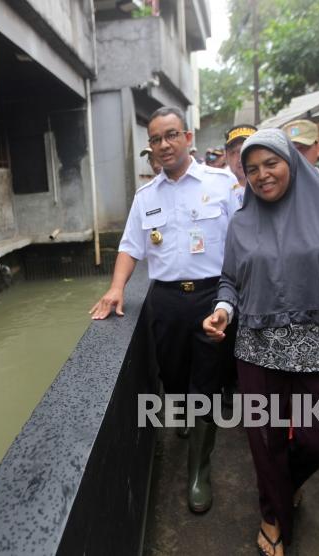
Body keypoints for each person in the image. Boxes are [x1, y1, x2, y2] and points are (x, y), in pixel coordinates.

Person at [203, 129, 319, 556]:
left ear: (293, 163)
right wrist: (223, 310)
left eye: (271, 164)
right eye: (251, 169)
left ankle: (284, 485)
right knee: (265, 440)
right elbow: (230, 279)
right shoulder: (241, 222)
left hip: (318, 351)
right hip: (255, 351)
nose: (262, 176)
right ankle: (273, 515)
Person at [90, 106, 237, 513]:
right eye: (156, 139)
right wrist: (116, 288)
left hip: (211, 297)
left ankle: (198, 473)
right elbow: (130, 247)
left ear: (188, 137)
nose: (164, 145)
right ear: (150, 148)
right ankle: (184, 415)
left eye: (171, 135)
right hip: (166, 300)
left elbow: (245, 241)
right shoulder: (146, 196)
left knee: (206, 383)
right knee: (172, 375)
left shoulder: (222, 184)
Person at [225, 124, 258, 209]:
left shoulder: (273, 188)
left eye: (248, 150)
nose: (241, 158)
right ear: (227, 157)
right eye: (235, 152)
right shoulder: (218, 191)